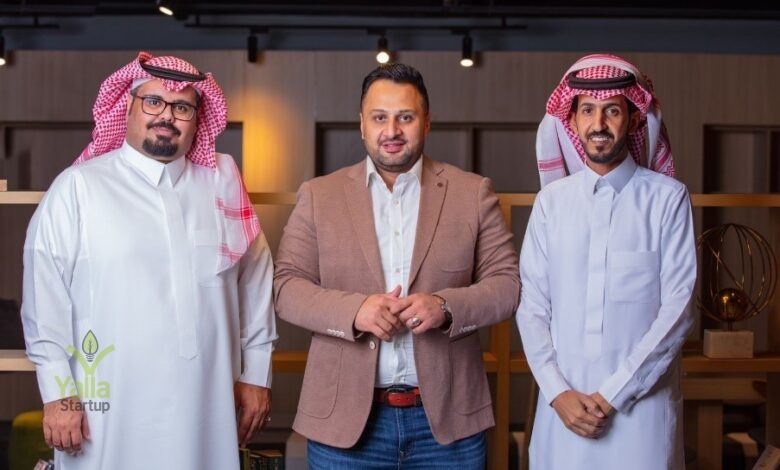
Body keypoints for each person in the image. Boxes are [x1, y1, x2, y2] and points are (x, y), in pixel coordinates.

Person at [21, 51, 277, 469]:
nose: (167, 116)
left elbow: (256, 284)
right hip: (106, 408)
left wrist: (256, 375)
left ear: (198, 118)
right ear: (128, 106)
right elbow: (44, 298)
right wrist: (58, 394)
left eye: (182, 107)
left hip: (207, 404)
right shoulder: (79, 188)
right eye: (153, 101)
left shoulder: (223, 185)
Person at [273, 63, 520, 469]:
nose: (392, 130)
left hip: (448, 425)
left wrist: (445, 306)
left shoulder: (472, 193)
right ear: (362, 124)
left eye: (405, 117)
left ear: (427, 122)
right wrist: (355, 311)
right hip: (344, 424)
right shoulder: (319, 195)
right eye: (379, 118)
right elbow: (286, 288)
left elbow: (507, 285)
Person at [516, 53, 696, 469]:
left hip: (642, 415)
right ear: (572, 120)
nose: (598, 123)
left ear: (633, 120)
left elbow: (679, 310)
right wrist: (557, 392)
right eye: (587, 111)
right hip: (562, 411)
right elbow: (532, 306)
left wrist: (613, 394)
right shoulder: (551, 203)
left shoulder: (668, 200)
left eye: (612, 110)